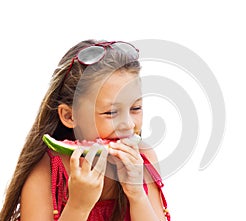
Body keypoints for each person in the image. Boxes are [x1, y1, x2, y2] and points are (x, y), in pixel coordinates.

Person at [0, 40, 170, 221]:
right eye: (111, 112)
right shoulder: (46, 173)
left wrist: (137, 195)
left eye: (136, 108)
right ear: (69, 116)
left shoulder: (143, 159)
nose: (128, 124)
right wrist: (78, 206)